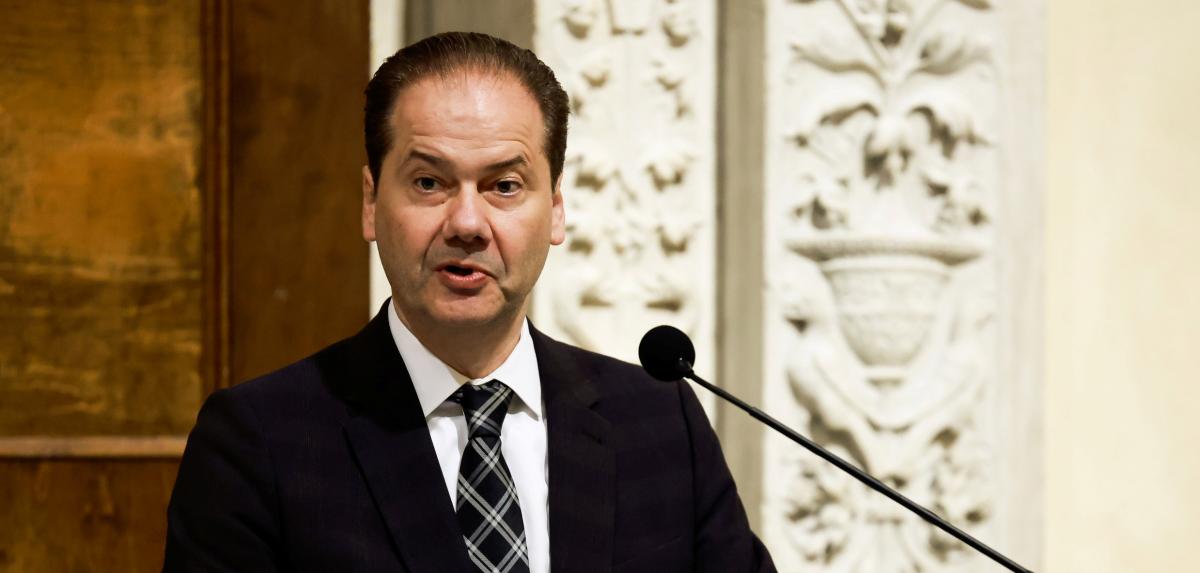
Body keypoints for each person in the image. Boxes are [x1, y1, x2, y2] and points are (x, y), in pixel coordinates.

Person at [164, 31, 775, 573]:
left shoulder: (659, 422)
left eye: (504, 186)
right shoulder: (259, 443)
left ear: (556, 209)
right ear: (372, 202)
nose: (467, 223)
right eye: (429, 182)